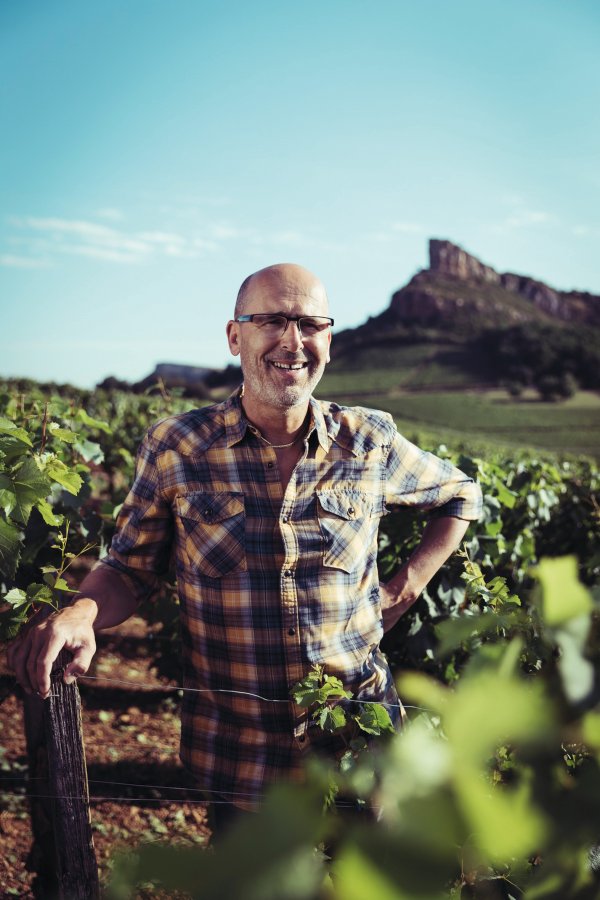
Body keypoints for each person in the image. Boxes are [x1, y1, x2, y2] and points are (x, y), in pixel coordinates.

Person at [8, 263, 482, 828]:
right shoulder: (177, 447)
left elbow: (461, 495)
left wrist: (405, 587)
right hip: (239, 759)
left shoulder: (368, 440)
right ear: (235, 336)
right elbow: (127, 568)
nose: (293, 340)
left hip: (360, 747)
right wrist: (82, 611)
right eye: (273, 320)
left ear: (329, 339)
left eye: (310, 324)